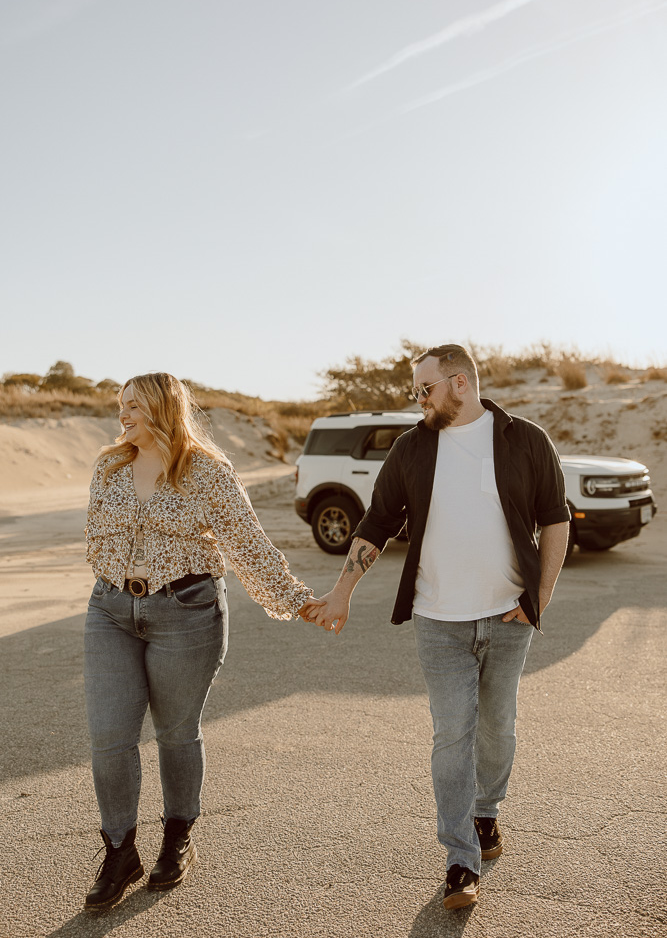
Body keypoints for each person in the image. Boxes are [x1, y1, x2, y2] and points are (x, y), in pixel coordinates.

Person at [301, 344, 570, 911]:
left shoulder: (525, 439)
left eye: (424, 389)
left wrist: (537, 600)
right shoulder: (410, 449)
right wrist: (342, 592)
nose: (417, 400)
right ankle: (459, 859)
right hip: (438, 621)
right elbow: (376, 524)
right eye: (414, 391)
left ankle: (487, 812)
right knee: (452, 734)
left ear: (459, 383)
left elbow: (555, 520)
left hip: (508, 616)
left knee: (498, 727)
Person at [83, 372, 317, 911]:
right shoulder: (110, 464)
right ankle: (119, 851)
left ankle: (177, 836)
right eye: (120, 405)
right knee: (109, 738)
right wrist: (118, 573)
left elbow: (247, 544)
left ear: (163, 407)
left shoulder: (208, 471)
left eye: (133, 405)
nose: (123, 415)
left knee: (175, 732)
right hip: (111, 610)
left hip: (185, 611)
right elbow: (94, 533)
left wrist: (295, 599)